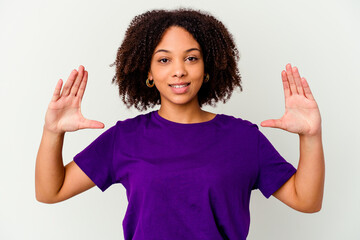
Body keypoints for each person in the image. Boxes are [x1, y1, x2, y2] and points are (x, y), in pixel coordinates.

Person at [35, 8, 325, 240]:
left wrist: (311, 136)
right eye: (164, 60)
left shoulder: (244, 138)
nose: (179, 71)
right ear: (147, 71)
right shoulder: (124, 138)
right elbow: (51, 191)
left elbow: (307, 201)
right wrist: (52, 132)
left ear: (207, 67)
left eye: (191, 58)